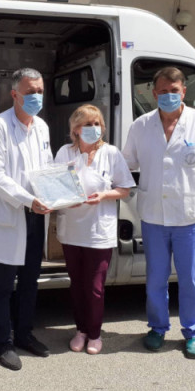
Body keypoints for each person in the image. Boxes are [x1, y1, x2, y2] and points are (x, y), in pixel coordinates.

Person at [122, 66, 195, 359]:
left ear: (184, 92)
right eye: (163, 91)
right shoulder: (141, 126)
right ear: (154, 94)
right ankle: (157, 328)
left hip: (189, 216)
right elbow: (125, 163)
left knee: (191, 278)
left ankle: (194, 332)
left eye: (174, 91)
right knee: (156, 278)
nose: (168, 96)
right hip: (153, 216)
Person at [0, 68, 54, 371]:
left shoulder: (42, 127)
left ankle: (24, 334)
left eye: (40, 91)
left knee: (30, 280)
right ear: (14, 94)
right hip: (11, 214)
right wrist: (28, 199)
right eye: (30, 92)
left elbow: (47, 168)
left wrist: (55, 194)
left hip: (36, 216)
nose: (36, 96)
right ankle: (3, 343)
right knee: (3, 283)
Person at [54, 105, 135, 355]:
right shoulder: (65, 152)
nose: (93, 128)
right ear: (76, 129)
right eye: (87, 124)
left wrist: (104, 195)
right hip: (72, 230)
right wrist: (66, 199)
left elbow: (125, 189)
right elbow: (54, 187)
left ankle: (95, 334)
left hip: (99, 232)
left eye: (97, 123)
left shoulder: (111, 153)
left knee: (95, 287)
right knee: (77, 284)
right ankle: (80, 330)